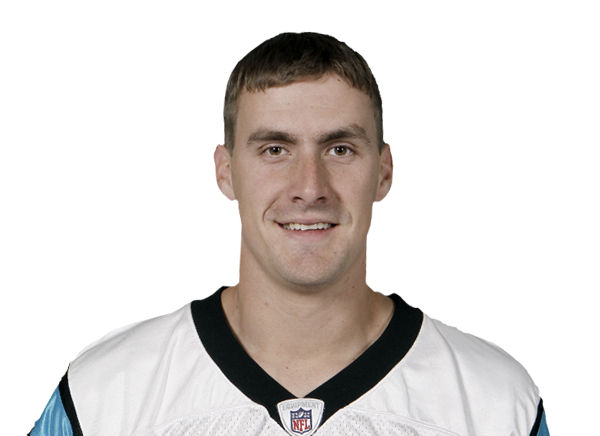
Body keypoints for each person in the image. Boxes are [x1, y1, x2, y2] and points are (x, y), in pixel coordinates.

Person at [28, 31, 550, 436]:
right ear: (225, 171)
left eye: (340, 149)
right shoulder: (103, 395)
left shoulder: (496, 403)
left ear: (385, 171)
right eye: (275, 149)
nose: (309, 187)